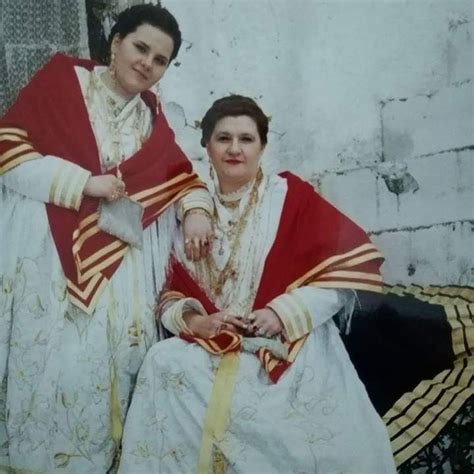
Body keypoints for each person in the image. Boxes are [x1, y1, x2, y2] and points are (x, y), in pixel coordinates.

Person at [118, 95, 397, 473]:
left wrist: (281, 313)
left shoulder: (290, 197)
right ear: (207, 146)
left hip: (287, 341)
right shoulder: (187, 211)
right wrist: (196, 321)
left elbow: (340, 278)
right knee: (162, 361)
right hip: (213, 343)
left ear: (263, 146)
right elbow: (168, 292)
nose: (235, 149)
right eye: (223, 138)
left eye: (246, 139)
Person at [0, 3, 214, 472]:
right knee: (58, 370)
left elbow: (181, 176)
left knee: (112, 371)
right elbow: (8, 151)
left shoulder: (150, 117)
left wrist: (196, 209)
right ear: (115, 42)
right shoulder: (63, 83)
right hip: (52, 263)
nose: (147, 65)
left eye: (160, 60)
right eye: (140, 48)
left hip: (122, 271)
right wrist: (81, 183)